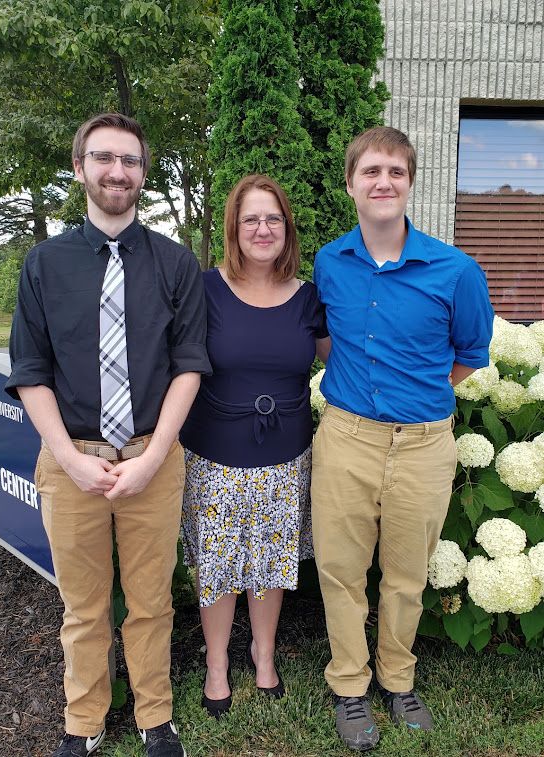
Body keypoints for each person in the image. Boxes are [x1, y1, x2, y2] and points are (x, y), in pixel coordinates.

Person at [5, 113, 211, 757]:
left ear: (143, 174)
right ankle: (85, 722)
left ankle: (155, 717)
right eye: (103, 158)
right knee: (84, 607)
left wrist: (153, 457)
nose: (117, 171)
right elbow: (31, 371)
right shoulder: (45, 264)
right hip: (73, 461)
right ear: (80, 168)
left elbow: (189, 365)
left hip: (153, 455)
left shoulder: (177, 264)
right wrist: (66, 458)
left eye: (129, 160)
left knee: (151, 601)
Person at [311, 126, 493, 751]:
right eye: (371, 172)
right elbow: (326, 341)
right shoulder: (329, 262)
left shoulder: (455, 269)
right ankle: (350, 685)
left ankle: (398, 676)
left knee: (405, 574)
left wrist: (416, 397)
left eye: (394, 171)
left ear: (411, 183)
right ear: (352, 185)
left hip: (422, 445)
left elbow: (469, 354)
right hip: (346, 439)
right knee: (340, 571)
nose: (383, 182)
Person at [180, 174, 328, 718]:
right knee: (218, 566)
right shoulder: (204, 288)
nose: (262, 229)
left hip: (287, 457)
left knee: (269, 562)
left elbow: (341, 364)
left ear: (286, 229)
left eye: (273, 219)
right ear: (233, 229)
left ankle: (263, 654)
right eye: (251, 219)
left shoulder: (309, 297)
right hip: (213, 455)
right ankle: (217, 664)